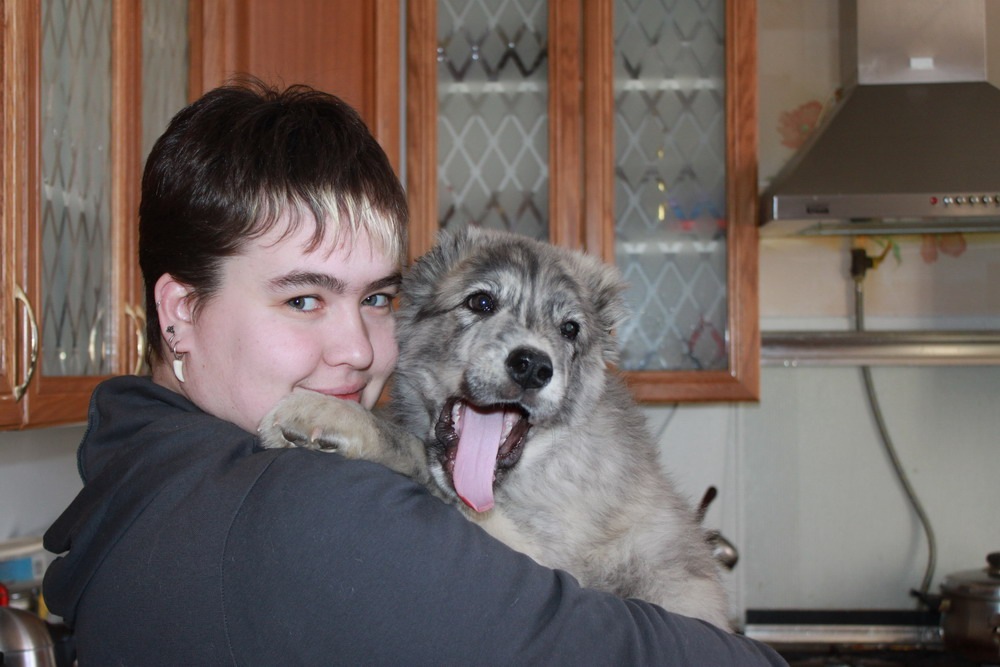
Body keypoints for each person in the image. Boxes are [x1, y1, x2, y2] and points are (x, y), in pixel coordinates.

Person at [42, 79, 787, 665]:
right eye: (303, 298)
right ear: (180, 310)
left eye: (376, 298)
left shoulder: (138, 470)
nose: (360, 349)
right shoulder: (311, 509)